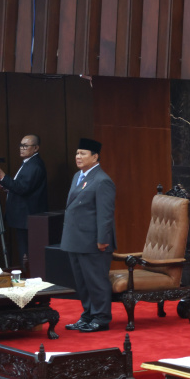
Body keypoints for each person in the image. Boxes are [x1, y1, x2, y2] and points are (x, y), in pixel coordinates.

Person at [60, 138, 116, 333]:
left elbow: (105, 214)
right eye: (77, 153)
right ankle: (88, 315)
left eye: (83, 154)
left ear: (95, 156)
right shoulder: (78, 176)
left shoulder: (102, 180)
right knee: (82, 283)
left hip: (94, 241)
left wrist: (103, 240)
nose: (78, 157)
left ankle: (101, 318)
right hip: (76, 239)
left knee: (96, 281)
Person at [0, 135, 49, 267]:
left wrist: (2, 176)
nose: (22, 148)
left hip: (27, 218)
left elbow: (22, 188)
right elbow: (22, 186)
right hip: (22, 217)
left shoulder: (35, 165)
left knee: (26, 252)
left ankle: (29, 277)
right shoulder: (29, 162)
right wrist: (7, 186)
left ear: (36, 148)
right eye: (21, 145)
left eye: (26, 146)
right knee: (24, 250)